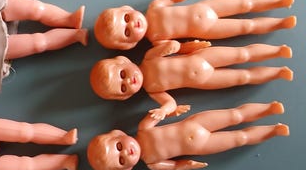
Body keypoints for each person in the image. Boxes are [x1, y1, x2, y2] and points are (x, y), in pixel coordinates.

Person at [90, 41, 293, 120]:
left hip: (203, 58)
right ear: (126, 96)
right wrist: (164, 111)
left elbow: (173, 46)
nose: (129, 81)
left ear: (124, 61)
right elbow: (170, 103)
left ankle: (277, 51)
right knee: (243, 77)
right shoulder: (152, 90)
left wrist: (175, 46)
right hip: (205, 80)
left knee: (242, 53)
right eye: (123, 87)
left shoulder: (149, 58)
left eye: (122, 74)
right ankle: (278, 72)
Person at [87, 101, 288, 170]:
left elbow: (163, 112)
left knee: (235, 115)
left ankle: (269, 109)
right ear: (126, 169)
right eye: (122, 160)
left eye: (119, 147)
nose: (126, 152)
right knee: (239, 138)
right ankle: (274, 130)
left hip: (195, 124)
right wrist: (188, 165)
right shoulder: (152, 163)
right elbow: (174, 166)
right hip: (201, 146)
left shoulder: (144, 128)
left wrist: (170, 110)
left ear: (119, 134)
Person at [94, 0, 296, 50]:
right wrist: (194, 46)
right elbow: (179, 48)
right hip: (207, 30)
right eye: (127, 31)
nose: (133, 24)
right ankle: (281, 23)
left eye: (126, 18)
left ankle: (279, 2)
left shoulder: (154, 7)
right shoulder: (156, 40)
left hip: (205, 7)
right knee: (246, 26)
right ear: (129, 44)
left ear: (127, 9)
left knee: (245, 3)